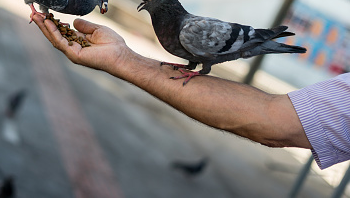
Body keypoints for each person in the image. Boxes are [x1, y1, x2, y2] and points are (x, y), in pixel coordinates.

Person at [32, 15, 350, 170]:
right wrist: (121, 58)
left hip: (241, 42)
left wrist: (123, 60)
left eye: (152, 4)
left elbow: (274, 123)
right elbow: (272, 118)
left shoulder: (189, 31)